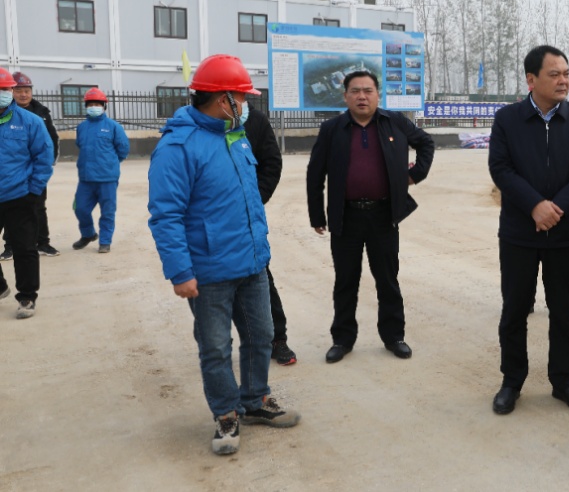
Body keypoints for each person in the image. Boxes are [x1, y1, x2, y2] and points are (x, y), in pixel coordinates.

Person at [148, 54, 300, 456]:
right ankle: (226, 413)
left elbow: (251, 199)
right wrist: (180, 272)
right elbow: (166, 215)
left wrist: (260, 249)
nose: (246, 105)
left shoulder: (236, 136)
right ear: (223, 100)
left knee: (261, 336)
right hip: (209, 271)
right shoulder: (178, 147)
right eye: (242, 97)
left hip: (252, 264)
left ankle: (256, 400)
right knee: (215, 348)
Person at [488, 45, 569, 415]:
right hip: (519, 233)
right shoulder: (508, 119)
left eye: (566, 73)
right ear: (531, 79)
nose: (563, 80)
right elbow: (501, 168)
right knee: (515, 310)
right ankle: (512, 380)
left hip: (564, 234)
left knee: (563, 310)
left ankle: (564, 379)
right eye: (554, 74)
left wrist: (557, 208)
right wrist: (534, 205)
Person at [306, 71, 435, 364]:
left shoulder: (395, 122)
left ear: (378, 94)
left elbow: (426, 143)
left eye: (368, 90)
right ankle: (342, 339)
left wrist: (415, 175)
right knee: (345, 281)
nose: (362, 96)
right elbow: (315, 174)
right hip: (346, 216)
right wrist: (317, 214)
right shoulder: (332, 129)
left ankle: (394, 337)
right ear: (345, 96)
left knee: (387, 279)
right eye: (355, 91)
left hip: (383, 215)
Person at [243, 102, 297, 366]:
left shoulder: (255, 121)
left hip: (246, 218)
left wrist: (256, 199)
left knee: (261, 277)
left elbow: (272, 163)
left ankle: (278, 339)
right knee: (214, 290)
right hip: (210, 225)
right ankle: (220, 347)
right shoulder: (195, 124)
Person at [0, 68, 53, 319]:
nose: (3, 93)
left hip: (19, 196)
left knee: (24, 249)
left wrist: (34, 190)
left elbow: (44, 157)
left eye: (5, 89)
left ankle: (27, 297)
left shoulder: (30, 122)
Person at [0, 71, 60, 260]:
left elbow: (52, 139)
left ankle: (43, 243)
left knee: (39, 208)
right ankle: (10, 246)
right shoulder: (8, 114)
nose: (23, 94)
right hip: (11, 177)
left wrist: (48, 164)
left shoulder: (41, 113)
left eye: (27, 90)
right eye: (19, 91)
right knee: (10, 212)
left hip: (34, 173)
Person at [71, 88, 129, 254]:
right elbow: (80, 145)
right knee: (80, 208)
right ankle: (88, 234)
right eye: (90, 104)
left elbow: (123, 149)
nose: (94, 107)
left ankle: (105, 241)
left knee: (107, 212)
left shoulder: (113, 126)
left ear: (104, 106)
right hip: (86, 179)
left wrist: (110, 163)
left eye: (97, 104)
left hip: (107, 179)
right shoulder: (82, 127)